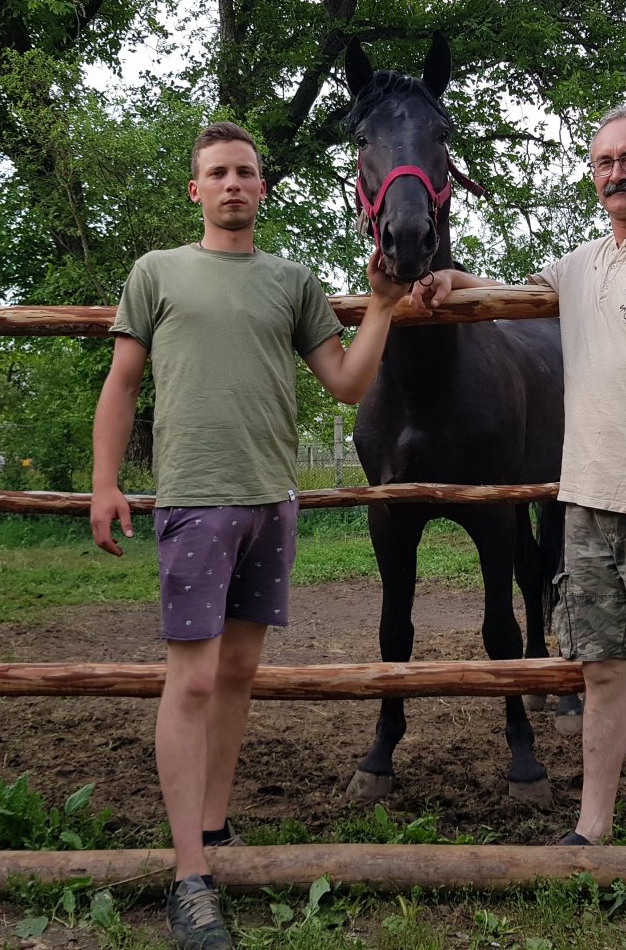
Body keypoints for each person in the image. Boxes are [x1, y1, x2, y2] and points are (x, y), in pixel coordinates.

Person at [409, 104, 626, 934]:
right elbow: (515, 295)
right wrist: (458, 284)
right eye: (603, 162)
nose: (617, 174)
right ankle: (591, 831)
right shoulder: (581, 265)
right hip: (585, 509)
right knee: (599, 675)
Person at [90, 121, 410, 950]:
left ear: (263, 189)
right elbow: (122, 382)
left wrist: (380, 307)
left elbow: (346, 383)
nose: (233, 184)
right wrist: (103, 483)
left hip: (275, 503)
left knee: (236, 674)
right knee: (191, 682)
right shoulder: (156, 274)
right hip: (194, 500)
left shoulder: (292, 281)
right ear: (196, 190)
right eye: (218, 173)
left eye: (246, 173)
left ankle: (216, 828)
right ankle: (189, 875)